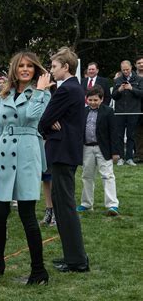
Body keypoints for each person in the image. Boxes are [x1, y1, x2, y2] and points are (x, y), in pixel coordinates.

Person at [0, 51, 52, 285]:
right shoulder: (3, 95)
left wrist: (40, 90)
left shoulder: (42, 94)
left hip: (27, 154)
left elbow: (32, 116)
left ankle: (39, 270)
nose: (25, 69)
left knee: (27, 214)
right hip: (3, 155)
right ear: (14, 68)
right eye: (20, 65)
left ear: (35, 70)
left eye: (30, 66)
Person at [39, 47, 90, 273]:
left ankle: (77, 260)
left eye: (54, 67)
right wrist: (50, 123)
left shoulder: (66, 90)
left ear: (65, 67)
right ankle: (73, 257)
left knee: (65, 206)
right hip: (65, 152)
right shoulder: (73, 88)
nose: (51, 71)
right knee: (62, 206)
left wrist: (48, 125)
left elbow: (44, 119)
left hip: (62, 153)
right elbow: (50, 119)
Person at [77, 86, 120, 215]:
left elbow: (114, 132)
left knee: (108, 176)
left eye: (96, 100)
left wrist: (115, 152)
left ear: (101, 99)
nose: (93, 102)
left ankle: (112, 205)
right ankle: (86, 203)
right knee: (86, 176)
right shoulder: (83, 112)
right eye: (90, 100)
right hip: (87, 148)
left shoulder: (108, 112)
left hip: (104, 149)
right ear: (86, 99)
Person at [112, 60, 143, 166]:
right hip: (120, 112)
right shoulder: (117, 80)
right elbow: (113, 96)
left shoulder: (139, 79)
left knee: (131, 135)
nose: (125, 71)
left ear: (131, 68)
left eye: (127, 69)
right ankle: (121, 157)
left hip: (134, 112)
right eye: (123, 70)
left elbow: (141, 93)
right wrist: (119, 90)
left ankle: (129, 157)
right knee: (119, 135)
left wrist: (131, 88)